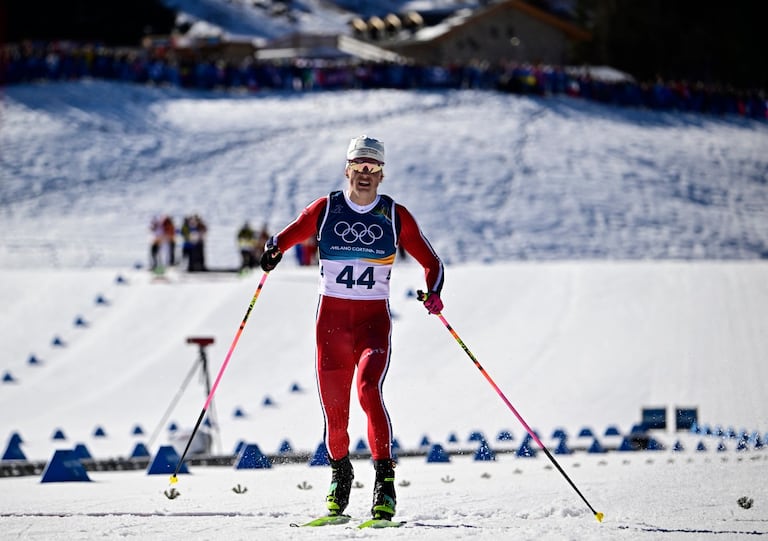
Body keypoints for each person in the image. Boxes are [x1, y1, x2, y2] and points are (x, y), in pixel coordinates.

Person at [260, 135, 445, 522]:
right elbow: (288, 234)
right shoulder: (326, 209)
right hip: (330, 328)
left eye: (372, 168)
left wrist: (434, 292)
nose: (364, 173)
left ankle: (384, 482)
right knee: (335, 414)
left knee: (368, 390)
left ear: (381, 174)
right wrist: (274, 250)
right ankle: (340, 474)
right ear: (347, 169)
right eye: (358, 166)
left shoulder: (395, 216)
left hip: (371, 325)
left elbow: (432, 263)